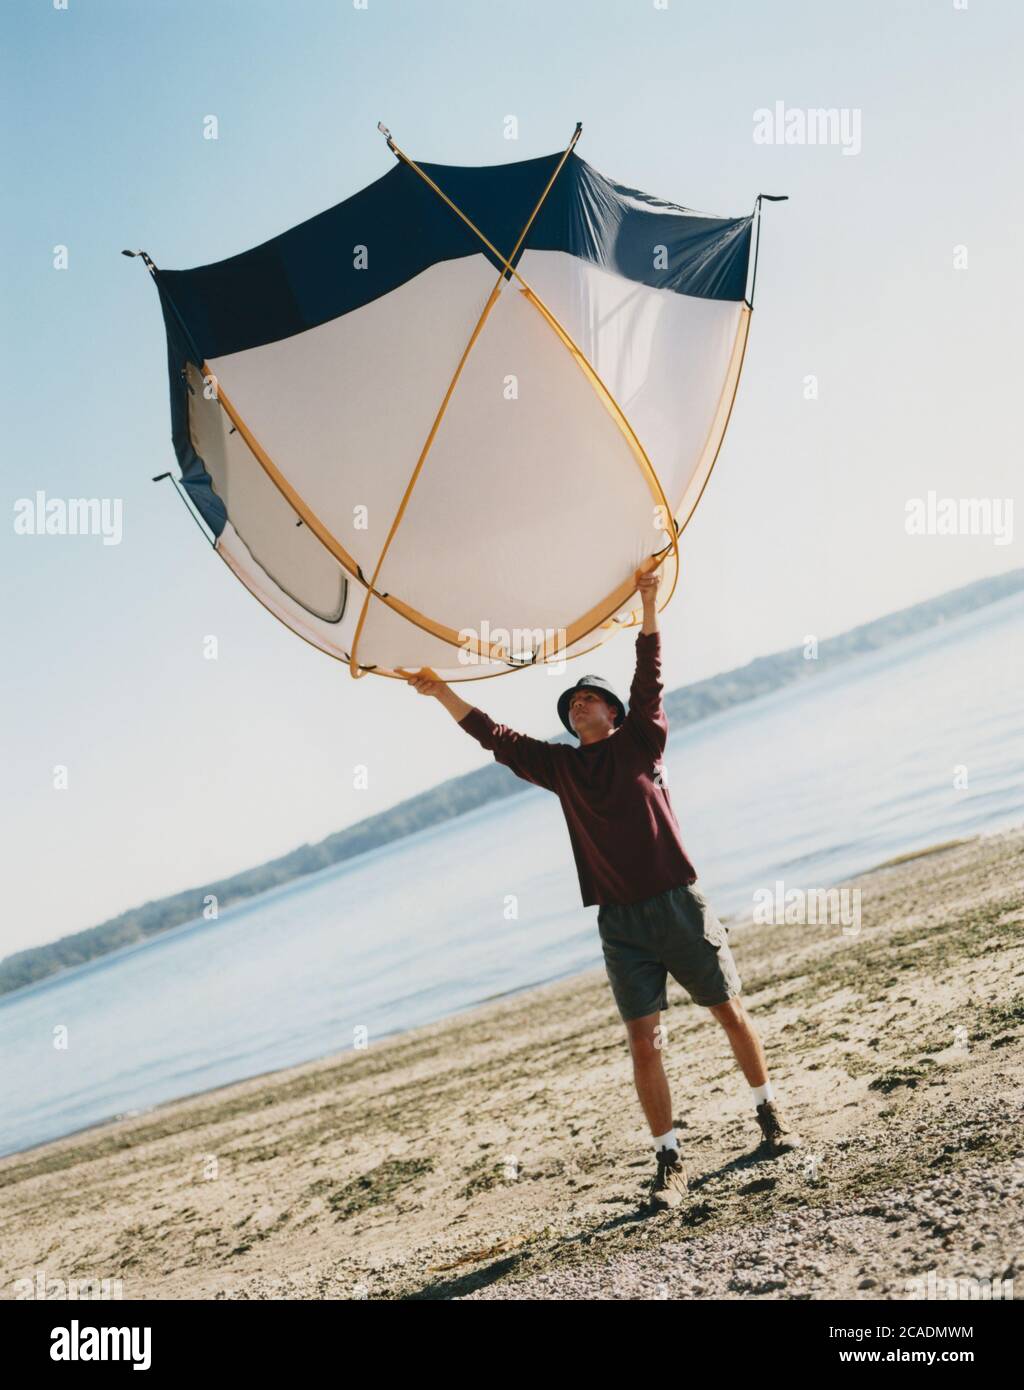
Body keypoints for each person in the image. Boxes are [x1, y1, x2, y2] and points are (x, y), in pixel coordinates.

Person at [407, 567, 801, 1210]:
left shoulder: (642, 740)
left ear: (613, 711)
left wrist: (647, 603)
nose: (577, 705)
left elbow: (650, 672)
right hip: (620, 924)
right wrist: (441, 691)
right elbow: (496, 739)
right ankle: (668, 1158)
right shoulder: (562, 768)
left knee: (727, 1009)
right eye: (570, 704)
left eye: (588, 698)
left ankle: (769, 1116)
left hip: (677, 900)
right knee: (643, 1039)